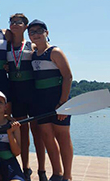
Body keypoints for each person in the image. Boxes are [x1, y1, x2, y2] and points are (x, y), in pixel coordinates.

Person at [29, 20, 73, 181]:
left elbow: (67, 77)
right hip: (41, 101)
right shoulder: (33, 55)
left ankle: (67, 175)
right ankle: (57, 172)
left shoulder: (55, 52)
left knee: (63, 136)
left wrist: (62, 103)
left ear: (47, 32)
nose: (36, 34)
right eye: (32, 32)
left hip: (59, 100)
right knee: (47, 137)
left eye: (39, 30)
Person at [6, 13, 46, 181]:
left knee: (38, 132)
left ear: (25, 26)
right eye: (13, 22)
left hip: (32, 92)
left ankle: (42, 170)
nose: (15, 24)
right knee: (22, 133)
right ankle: (26, 168)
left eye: (19, 22)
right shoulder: (6, 46)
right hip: (15, 92)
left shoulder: (31, 45)